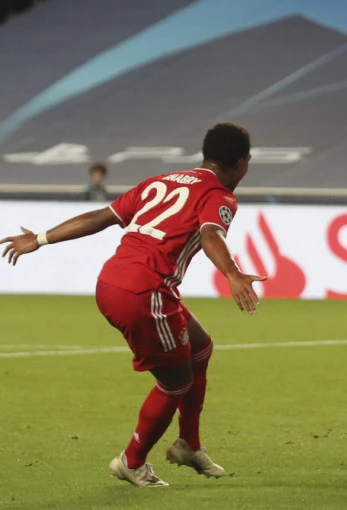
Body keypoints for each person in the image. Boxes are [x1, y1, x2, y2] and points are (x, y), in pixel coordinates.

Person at [1, 122, 266, 486]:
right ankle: (132, 461)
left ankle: (189, 443)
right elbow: (210, 234)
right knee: (176, 382)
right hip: (145, 293)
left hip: (113, 281)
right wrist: (233, 273)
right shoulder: (218, 195)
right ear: (243, 162)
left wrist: (41, 238)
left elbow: (100, 217)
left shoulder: (161, 181)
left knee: (200, 347)